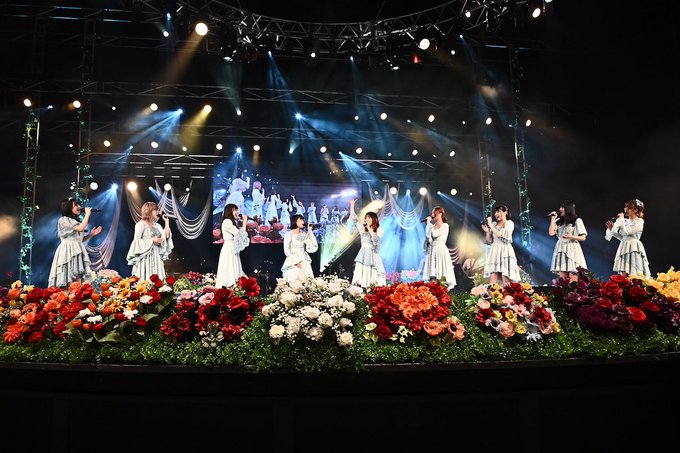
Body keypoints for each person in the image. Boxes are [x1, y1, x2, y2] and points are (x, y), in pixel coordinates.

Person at [48, 198, 102, 287]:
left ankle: (76, 294)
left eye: (78, 204)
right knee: (68, 276)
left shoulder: (75, 222)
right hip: (68, 251)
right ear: (68, 207)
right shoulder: (63, 220)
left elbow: (79, 239)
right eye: (76, 205)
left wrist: (91, 234)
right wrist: (87, 214)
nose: (79, 206)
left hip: (77, 250)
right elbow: (80, 228)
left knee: (78, 278)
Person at [127, 201, 173, 281]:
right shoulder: (140, 225)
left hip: (156, 255)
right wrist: (152, 240)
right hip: (146, 256)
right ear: (149, 211)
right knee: (146, 278)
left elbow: (167, 236)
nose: (158, 212)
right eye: (155, 210)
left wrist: (167, 222)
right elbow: (136, 242)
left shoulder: (157, 225)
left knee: (158, 278)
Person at [606, 199, 650, 277]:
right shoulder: (625, 221)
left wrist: (621, 219)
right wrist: (612, 230)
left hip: (634, 247)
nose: (626, 209)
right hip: (624, 246)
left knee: (634, 273)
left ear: (636, 210)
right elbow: (623, 237)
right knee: (624, 272)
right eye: (625, 207)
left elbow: (626, 232)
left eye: (629, 208)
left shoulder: (639, 221)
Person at [349, 199, 386, 288]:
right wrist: (352, 205)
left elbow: (376, 240)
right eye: (366, 218)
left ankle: (373, 288)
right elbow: (354, 219)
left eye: (369, 217)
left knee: (373, 273)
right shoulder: (362, 229)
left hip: (373, 254)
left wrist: (369, 228)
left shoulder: (379, 230)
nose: (366, 219)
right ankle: (362, 288)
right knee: (362, 272)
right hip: (363, 253)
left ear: (374, 219)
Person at [549, 200, 588, 282]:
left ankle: (574, 290)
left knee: (573, 275)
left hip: (572, 247)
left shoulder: (577, 220)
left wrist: (572, 236)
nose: (560, 209)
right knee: (563, 279)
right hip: (561, 248)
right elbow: (551, 233)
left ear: (568, 209)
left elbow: (583, 237)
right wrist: (552, 219)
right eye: (560, 207)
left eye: (562, 207)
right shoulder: (558, 221)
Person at [482, 205, 520, 286]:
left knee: (505, 276)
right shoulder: (494, 224)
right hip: (495, 250)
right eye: (495, 212)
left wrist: (490, 225)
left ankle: (507, 293)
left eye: (498, 211)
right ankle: (492, 293)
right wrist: (487, 232)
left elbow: (502, 236)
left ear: (505, 212)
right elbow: (489, 241)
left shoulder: (509, 223)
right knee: (493, 276)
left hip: (505, 250)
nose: (496, 214)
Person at [215, 203, 250, 288]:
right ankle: (230, 287)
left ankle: (235, 287)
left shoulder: (230, 222)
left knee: (234, 267)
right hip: (229, 248)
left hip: (232, 247)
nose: (237, 212)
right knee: (230, 268)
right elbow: (240, 234)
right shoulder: (227, 221)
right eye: (235, 210)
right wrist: (245, 221)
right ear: (230, 211)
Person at [422, 206, 456, 290]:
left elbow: (435, 234)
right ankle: (433, 291)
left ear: (440, 214)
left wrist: (429, 224)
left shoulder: (445, 226)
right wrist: (427, 239)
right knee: (432, 274)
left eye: (435, 213)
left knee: (442, 273)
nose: (433, 215)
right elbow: (429, 238)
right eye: (432, 213)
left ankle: (443, 291)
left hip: (440, 250)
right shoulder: (432, 226)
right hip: (432, 250)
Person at [281, 214, 318, 281]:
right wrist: (295, 262)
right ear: (295, 221)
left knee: (307, 281)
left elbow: (312, 247)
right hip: (293, 261)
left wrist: (310, 231)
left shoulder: (304, 234)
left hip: (304, 260)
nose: (303, 222)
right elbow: (287, 251)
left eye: (303, 220)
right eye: (301, 220)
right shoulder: (288, 235)